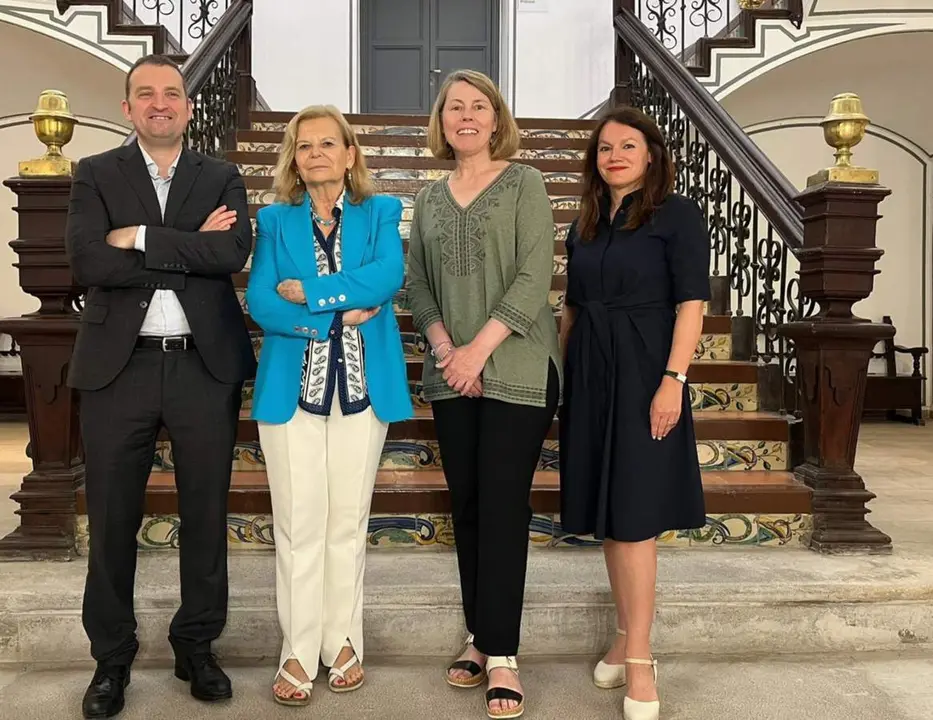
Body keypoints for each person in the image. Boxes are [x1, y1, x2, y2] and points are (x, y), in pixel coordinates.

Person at [65, 54, 255, 719]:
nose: (159, 103)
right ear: (128, 109)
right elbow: (87, 260)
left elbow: (230, 255)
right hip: (121, 368)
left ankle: (196, 646)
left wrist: (141, 237)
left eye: (171, 93)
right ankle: (110, 660)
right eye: (144, 94)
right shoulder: (94, 173)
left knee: (205, 515)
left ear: (188, 105)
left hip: (204, 366)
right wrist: (184, 247)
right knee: (112, 518)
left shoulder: (221, 175)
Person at [245, 104, 413, 707]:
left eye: (328, 143)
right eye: (304, 145)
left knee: (347, 521)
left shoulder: (381, 212)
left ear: (349, 155)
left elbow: (387, 277)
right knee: (298, 524)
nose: (315, 153)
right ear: (293, 158)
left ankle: (342, 642)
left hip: (363, 390)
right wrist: (332, 318)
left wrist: (315, 294)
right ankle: (297, 647)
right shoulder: (273, 220)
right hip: (292, 393)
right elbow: (263, 301)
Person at [406, 69, 560, 719]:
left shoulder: (526, 183)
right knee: (466, 508)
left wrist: (478, 350)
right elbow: (417, 286)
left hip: (518, 368)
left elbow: (535, 274)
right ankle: (479, 633)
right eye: (453, 108)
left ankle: (502, 656)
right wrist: (447, 349)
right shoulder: (428, 197)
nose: (465, 116)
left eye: (478, 106)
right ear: (441, 123)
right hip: (450, 373)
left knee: (500, 507)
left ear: (496, 119)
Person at [558, 106, 710, 720]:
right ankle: (624, 633)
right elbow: (570, 308)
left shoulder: (678, 216)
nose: (614, 155)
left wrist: (673, 381)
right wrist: (565, 379)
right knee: (611, 510)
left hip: (649, 368)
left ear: (651, 155)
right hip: (592, 371)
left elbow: (692, 305)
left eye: (627, 145)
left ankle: (642, 657)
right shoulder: (586, 223)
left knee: (638, 515)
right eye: (603, 148)